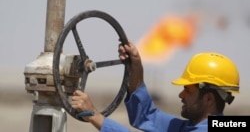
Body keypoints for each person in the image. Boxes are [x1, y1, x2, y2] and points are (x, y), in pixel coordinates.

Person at [71, 40, 240, 132]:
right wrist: (136, 66)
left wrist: (94, 115)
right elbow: (146, 117)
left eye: (188, 90)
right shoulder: (190, 127)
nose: (181, 95)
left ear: (208, 98)